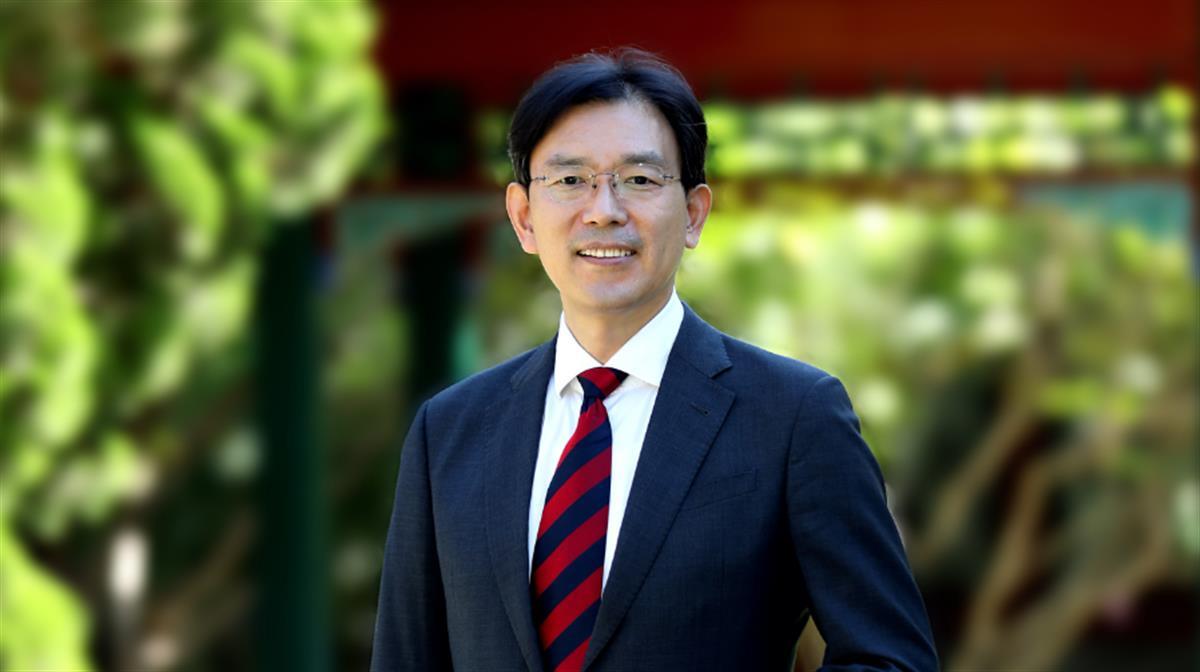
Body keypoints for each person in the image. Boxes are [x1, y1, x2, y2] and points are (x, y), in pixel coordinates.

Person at [370, 48, 938, 672]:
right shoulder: (450, 431)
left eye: (639, 180)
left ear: (693, 214)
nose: (604, 209)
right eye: (570, 180)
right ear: (524, 217)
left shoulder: (793, 417)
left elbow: (892, 660)